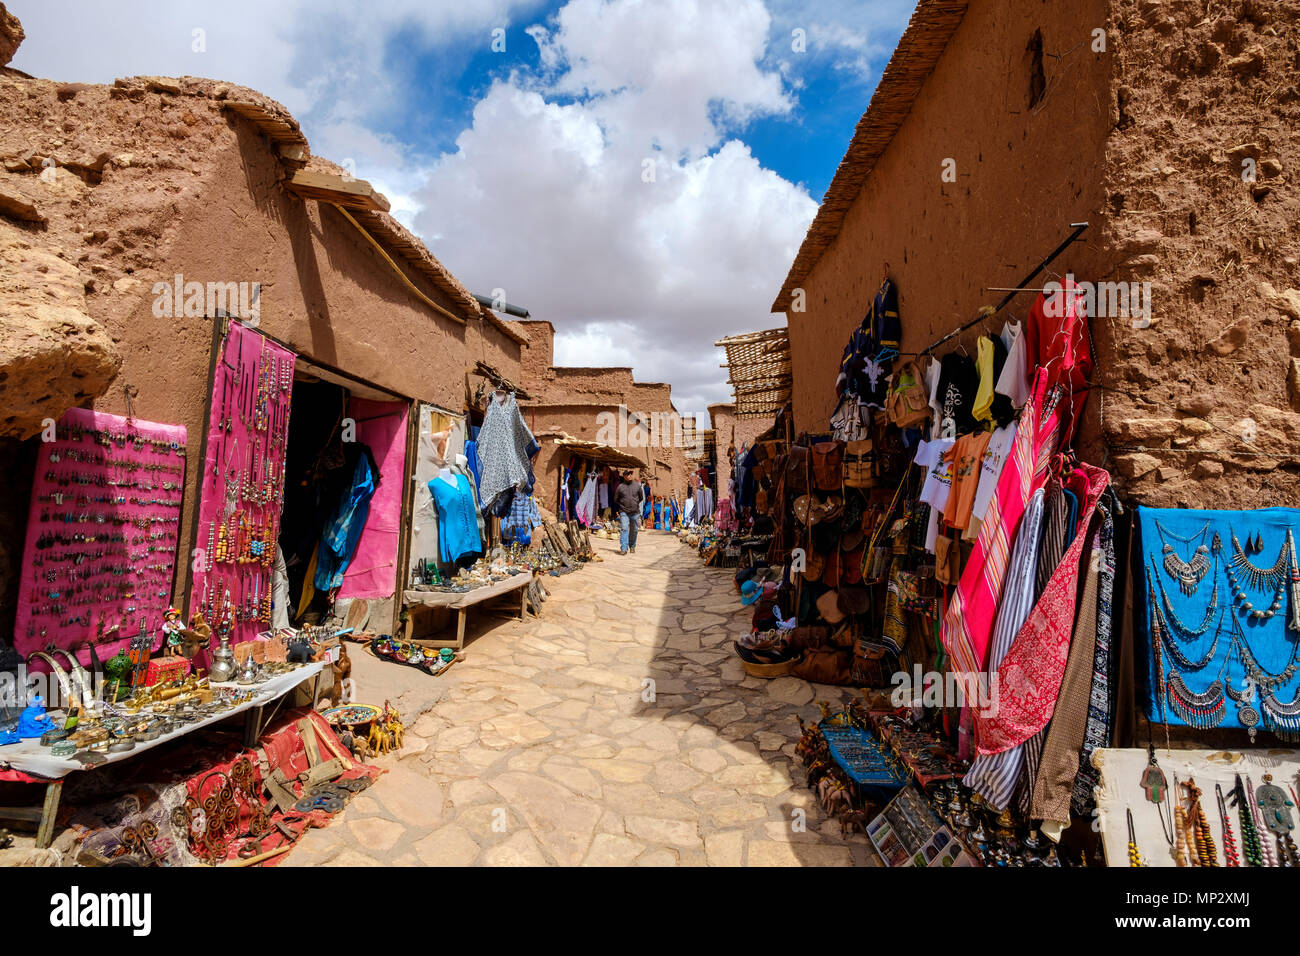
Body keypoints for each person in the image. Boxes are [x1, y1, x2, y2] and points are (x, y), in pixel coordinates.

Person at [613, 470, 644, 554]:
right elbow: (616, 499)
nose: (629, 475)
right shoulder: (620, 487)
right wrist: (622, 505)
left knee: (634, 530)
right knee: (624, 528)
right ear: (624, 476)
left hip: (635, 512)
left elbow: (641, 498)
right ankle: (624, 548)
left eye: (630, 474)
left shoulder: (637, 486)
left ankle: (632, 545)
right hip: (624, 512)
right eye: (627, 474)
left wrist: (635, 503)